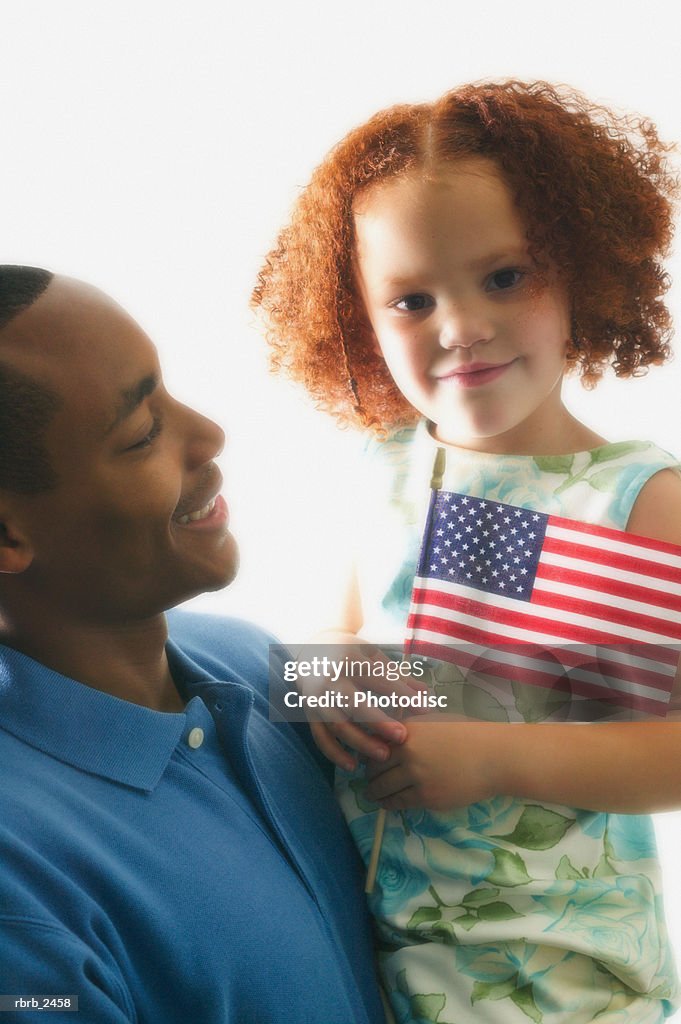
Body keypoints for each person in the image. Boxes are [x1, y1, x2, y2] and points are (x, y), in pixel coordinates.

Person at [252, 81, 681, 1022]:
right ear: (356, 320)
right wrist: (328, 678)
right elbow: (337, 629)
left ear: (581, 270)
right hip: (371, 957)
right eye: (410, 298)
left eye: (504, 277)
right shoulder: (388, 470)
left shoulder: (638, 501)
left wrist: (493, 762)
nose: (460, 329)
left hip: (563, 980)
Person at [0, 266, 387, 1024]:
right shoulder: (20, 886)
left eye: (167, 391)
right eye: (142, 432)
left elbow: (552, 696)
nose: (209, 435)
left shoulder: (253, 657)